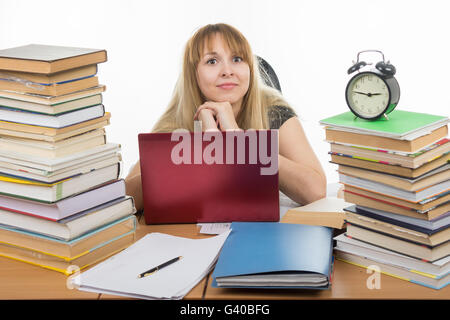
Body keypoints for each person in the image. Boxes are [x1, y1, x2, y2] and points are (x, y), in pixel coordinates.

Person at [125, 23, 326, 211]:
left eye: (237, 59)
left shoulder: (272, 110)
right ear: (193, 74)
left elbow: (315, 191)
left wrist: (243, 142)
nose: (227, 71)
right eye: (212, 61)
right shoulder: (176, 121)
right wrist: (200, 148)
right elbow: (127, 197)